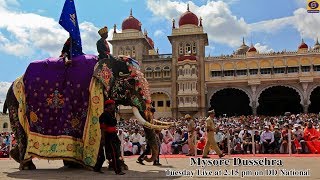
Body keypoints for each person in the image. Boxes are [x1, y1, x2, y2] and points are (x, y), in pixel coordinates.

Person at [94, 99, 125, 175]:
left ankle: (97, 168)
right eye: (112, 105)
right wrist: (103, 139)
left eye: (113, 105)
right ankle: (117, 170)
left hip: (113, 135)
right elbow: (103, 128)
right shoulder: (104, 115)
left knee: (105, 153)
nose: (113, 106)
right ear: (108, 106)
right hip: (108, 136)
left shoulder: (112, 114)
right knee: (114, 152)